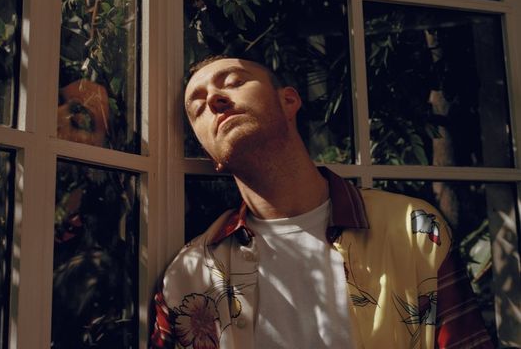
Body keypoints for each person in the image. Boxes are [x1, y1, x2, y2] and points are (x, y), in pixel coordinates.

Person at [150, 56, 493, 349]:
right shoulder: (188, 275)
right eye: (198, 107)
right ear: (210, 154)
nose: (214, 99)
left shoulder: (413, 228)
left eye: (234, 82)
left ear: (289, 101)